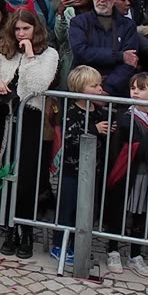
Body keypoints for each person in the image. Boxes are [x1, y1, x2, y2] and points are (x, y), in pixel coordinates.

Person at [0, 8, 58, 259]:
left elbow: (38, 85)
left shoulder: (49, 55)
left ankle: (25, 228)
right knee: (6, 171)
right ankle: (8, 227)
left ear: (35, 29)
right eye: (17, 29)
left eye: (25, 28)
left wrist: (28, 55)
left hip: (32, 116)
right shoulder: (4, 49)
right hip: (5, 115)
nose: (20, 34)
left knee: (27, 174)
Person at [104, 73, 148, 278]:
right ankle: (113, 250)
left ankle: (136, 254)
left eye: (142, 89)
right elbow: (138, 145)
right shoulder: (126, 116)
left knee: (141, 213)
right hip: (126, 172)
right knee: (119, 211)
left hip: (147, 174)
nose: (136, 92)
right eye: (133, 88)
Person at [53, 65, 111, 264]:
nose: (99, 89)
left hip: (92, 170)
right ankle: (59, 245)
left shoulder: (99, 109)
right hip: (71, 171)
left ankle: (78, 245)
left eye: (99, 85)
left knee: (85, 211)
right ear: (79, 89)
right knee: (67, 209)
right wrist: (94, 130)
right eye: (93, 86)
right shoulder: (71, 111)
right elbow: (70, 139)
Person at [69, 0, 140, 96]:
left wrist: (107, 89)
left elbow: (130, 62)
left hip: (116, 91)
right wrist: (119, 56)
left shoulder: (128, 25)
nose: (102, 0)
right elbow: (81, 52)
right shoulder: (78, 22)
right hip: (83, 89)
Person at [54, 0, 92, 82]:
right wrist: (60, 13)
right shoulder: (67, 12)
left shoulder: (96, 13)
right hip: (70, 59)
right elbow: (60, 37)